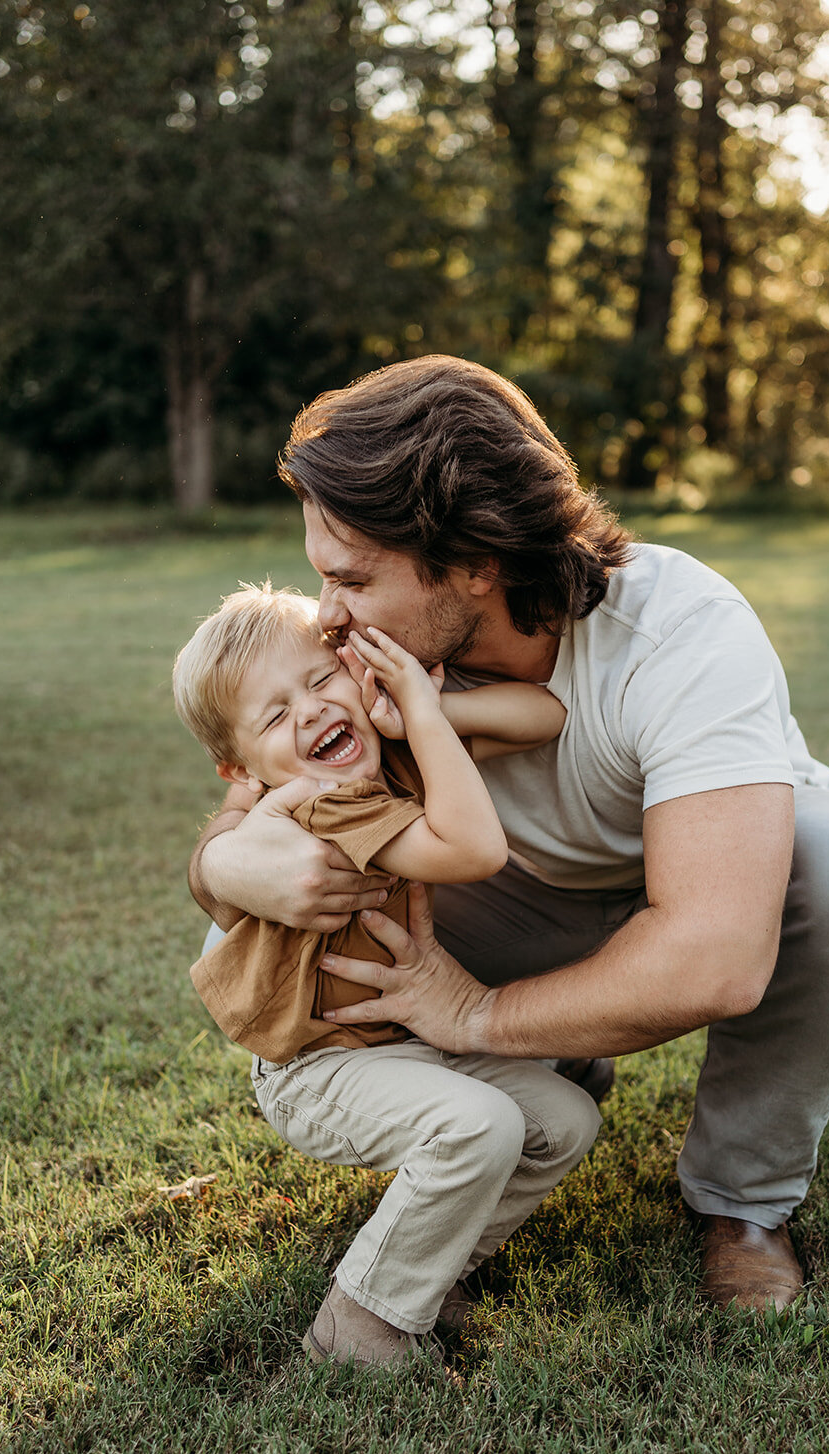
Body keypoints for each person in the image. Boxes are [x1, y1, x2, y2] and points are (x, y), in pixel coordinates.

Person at [189, 356, 829, 1316]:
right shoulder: (366, 659)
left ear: (475, 564)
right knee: (284, 895)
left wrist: (473, 1016)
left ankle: (742, 1204)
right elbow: (241, 813)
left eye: (351, 579)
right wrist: (229, 861)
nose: (326, 614)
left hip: (697, 885)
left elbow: (717, 958)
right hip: (502, 895)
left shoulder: (680, 631)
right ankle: (523, 1087)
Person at [173, 582, 600, 1368]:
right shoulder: (326, 804)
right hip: (318, 1067)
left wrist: (417, 711)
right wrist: (426, 720)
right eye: (274, 717)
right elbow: (473, 850)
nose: (308, 713)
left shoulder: (393, 754)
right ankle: (357, 1329)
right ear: (242, 769)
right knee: (481, 1126)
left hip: (399, 1043)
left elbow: (547, 715)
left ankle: (428, 1271)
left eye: (320, 680)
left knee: (564, 1123)